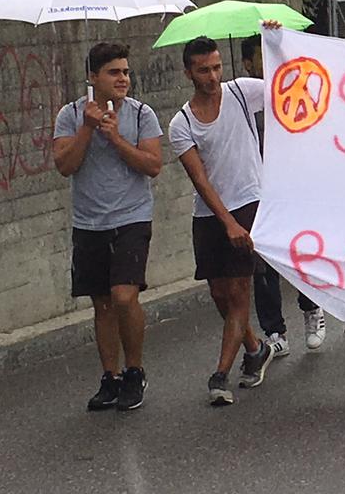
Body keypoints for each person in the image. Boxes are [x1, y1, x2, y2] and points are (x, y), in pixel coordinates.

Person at [53, 42, 164, 412]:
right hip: (89, 222)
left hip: (131, 217)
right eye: (114, 72)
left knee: (123, 297)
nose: (123, 79)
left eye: (126, 72)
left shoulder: (141, 114)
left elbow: (152, 165)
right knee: (101, 304)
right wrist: (87, 129)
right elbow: (65, 165)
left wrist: (115, 138)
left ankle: (135, 371)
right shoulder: (70, 115)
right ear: (93, 77)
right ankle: (110, 377)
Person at [169, 37, 275, 405]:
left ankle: (220, 375)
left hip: (250, 200)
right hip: (210, 213)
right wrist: (225, 221)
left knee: (239, 291)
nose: (213, 76)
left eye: (216, 67)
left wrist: (275, 39)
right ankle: (255, 347)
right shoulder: (181, 123)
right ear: (189, 73)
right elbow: (199, 177)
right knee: (219, 294)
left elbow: (287, 79)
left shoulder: (244, 93)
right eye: (203, 70)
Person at [239, 36, 345, 351]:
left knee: (303, 251)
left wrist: (276, 40)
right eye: (261, 56)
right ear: (247, 64)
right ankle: (274, 331)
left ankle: (312, 307)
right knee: (263, 257)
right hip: (260, 190)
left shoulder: (296, 89)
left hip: (298, 187)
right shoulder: (244, 98)